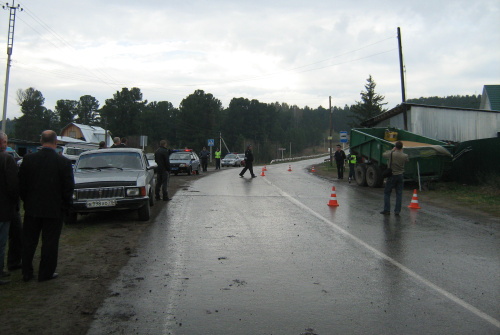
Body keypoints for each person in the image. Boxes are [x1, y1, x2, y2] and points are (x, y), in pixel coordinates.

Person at [19, 130, 75, 282]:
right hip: (54, 209)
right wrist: (65, 205)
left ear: (41, 141)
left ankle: (26, 272)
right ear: (56, 142)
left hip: (32, 208)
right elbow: (68, 187)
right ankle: (46, 273)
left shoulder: (28, 159)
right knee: (50, 242)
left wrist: (27, 201)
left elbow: (22, 185)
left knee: (29, 241)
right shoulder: (63, 162)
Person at [0, 132, 19, 284]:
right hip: (4, 208)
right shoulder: (7, 159)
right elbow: (13, 186)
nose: (6, 144)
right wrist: (15, 203)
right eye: (5, 141)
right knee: (1, 241)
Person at [380, 141, 409, 215]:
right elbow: (407, 161)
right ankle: (397, 211)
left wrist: (392, 150)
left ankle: (387, 210)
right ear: (402, 147)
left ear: (395, 147)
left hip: (392, 175)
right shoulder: (404, 155)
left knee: (387, 192)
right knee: (399, 194)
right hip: (400, 175)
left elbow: (384, 155)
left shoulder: (392, 154)